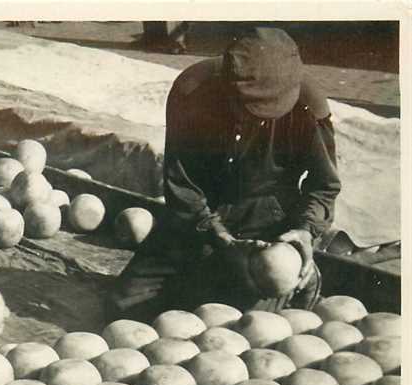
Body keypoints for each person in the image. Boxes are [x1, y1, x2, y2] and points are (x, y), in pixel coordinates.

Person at [108, 27, 342, 322]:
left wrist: (305, 230)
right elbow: (182, 183)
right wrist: (216, 233)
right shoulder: (193, 91)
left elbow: (324, 185)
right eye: (245, 108)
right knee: (126, 306)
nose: (252, 119)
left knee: (243, 327)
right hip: (202, 210)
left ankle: (302, 280)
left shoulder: (307, 103)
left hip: (270, 213)